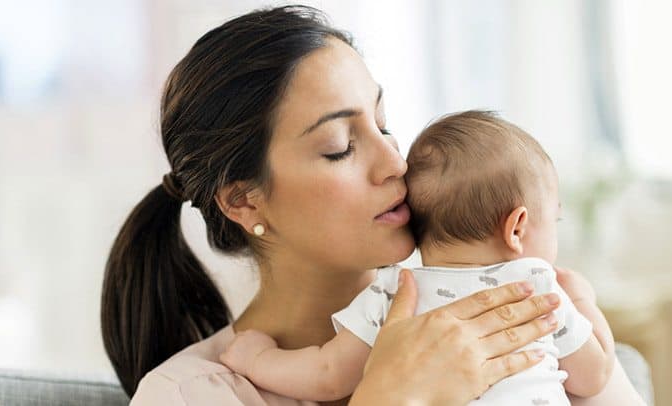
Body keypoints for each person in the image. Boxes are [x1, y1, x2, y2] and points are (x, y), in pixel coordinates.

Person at [100, 5, 646, 405]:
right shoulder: (190, 394)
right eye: (340, 147)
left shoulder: (508, 312)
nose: (394, 161)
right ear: (243, 199)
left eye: (385, 125)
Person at [219, 111, 616, 405]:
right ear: (517, 227)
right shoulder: (538, 288)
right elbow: (593, 375)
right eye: (339, 148)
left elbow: (328, 376)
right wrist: (584, 302)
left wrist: (257, 359)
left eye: (384, 126)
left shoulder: (395, 294)